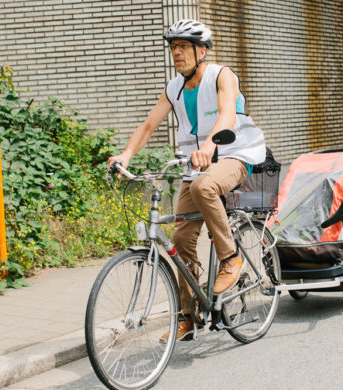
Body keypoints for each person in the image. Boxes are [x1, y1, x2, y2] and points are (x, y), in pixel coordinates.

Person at [108, 19, 266, 341]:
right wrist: (125, 154)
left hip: (235, 155)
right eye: (173, 48)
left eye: (182, 47)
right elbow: (150, 124)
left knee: (203, 185)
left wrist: (210, 145)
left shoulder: (222, 75)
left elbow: (227, 114)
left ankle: (231, 257)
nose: (176, 53)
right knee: (180, 240)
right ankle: (187, 316)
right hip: (195, 165)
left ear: (201, 50)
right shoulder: (174, 88)